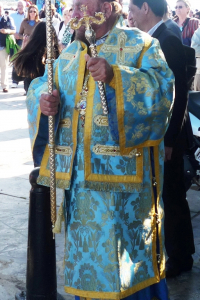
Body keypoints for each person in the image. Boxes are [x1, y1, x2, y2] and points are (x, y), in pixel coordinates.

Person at [27, 0, 174, 299]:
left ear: (105, 8)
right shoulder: (68, 56)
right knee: (89, 272)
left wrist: (116, 77)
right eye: (74, 6)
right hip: (80, 191)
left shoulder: (142, 46)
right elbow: (41, 85)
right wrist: (43, 101)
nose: (76, 12)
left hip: (125, 193)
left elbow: (162, 91)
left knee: (128, 273)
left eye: (82, 5)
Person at [129, 0, 195, 279]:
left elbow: (177, 96)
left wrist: (169, 141)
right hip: (163, 134)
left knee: (173, 195)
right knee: (167, 194)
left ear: (146, 8)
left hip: (171, 137)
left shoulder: (166, 38)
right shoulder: (159, 34)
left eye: (132, 10)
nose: (129, 16)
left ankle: (180, 258)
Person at [13, 22, 59, 96]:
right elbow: (16, 76)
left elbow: (16, 76)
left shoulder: (30, 54)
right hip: (51, 98)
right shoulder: (58, 55)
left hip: (34, 98)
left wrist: (23, 51)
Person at [10, 0, 26, 88]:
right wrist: (14, 34)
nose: (20, 7)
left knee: (23, 60)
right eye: (19, 5)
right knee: (15, 59)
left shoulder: (27, 15)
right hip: (14, 39)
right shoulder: (12, 15)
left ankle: (24, 80)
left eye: (22, 5)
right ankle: (15, 80)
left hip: (24, 40)